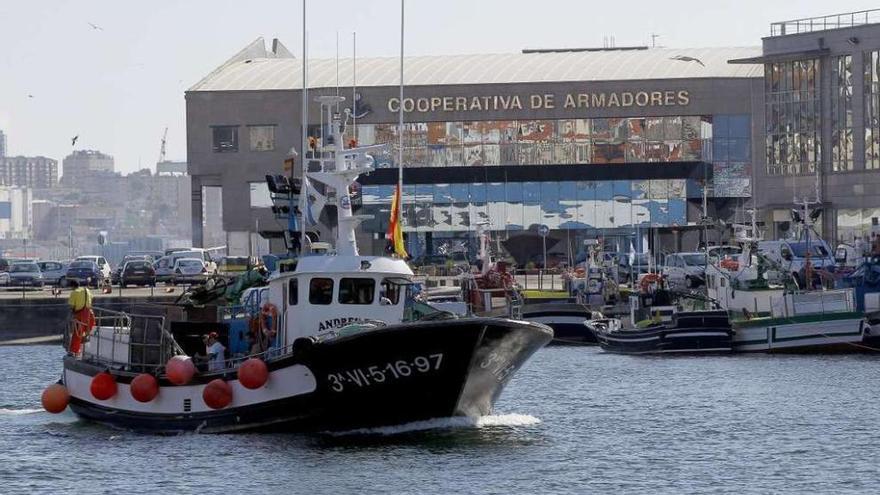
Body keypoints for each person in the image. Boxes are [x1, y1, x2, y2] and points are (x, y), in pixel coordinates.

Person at [67, 280, 95, 355]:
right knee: (89, 332)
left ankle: (74, 351)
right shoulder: (87, 290)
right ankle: (88, 347)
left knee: (77, 334)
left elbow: (72, 306)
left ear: (72, 286)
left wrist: (72, 315)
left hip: (80, 315)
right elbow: (91, 300)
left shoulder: (74, 292)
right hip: (90, 315)